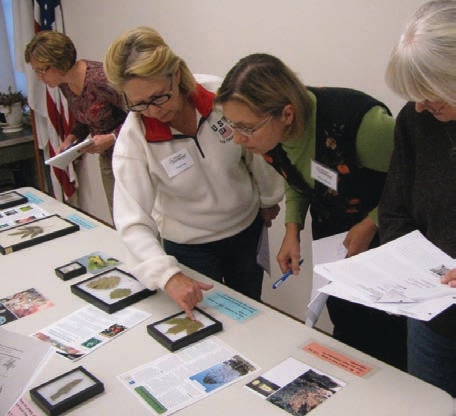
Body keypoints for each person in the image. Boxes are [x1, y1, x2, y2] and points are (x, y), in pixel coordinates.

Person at [215, 53, 407, 370]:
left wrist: (371, 224)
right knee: (347, 324)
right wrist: (293, 229)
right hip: (336, 238)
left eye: (246, 128)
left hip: (386, 239)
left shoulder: (362, 125)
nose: (237, 138)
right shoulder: (270, 136)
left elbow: (415, 179)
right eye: (232, 126)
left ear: (287, 114)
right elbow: (297, 175)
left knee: (388, 339)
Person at [103, 27, 283, 319]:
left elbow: (256, 149)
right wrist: (167, 275)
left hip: (246, 233)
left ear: (176, 74)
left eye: (159, 97)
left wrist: (268, 198)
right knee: (207, 324)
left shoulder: (220, 96)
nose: (152, 111)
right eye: (138, 103)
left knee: (250, 313)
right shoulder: (134, 139)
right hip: (190, 248)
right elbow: (131, 221)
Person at [379, 0, 456, 396]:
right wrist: (405, 264)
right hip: (431, 317)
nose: (420, 105)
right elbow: (395, 208)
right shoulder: (417, 119)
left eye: (432, 93)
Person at [24, 31, 127, 217]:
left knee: (141, 219)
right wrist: (72, 138)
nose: (39, 77)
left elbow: (139, 115)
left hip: (132, 155)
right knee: (119, 216)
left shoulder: (101, 79)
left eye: (41, 70)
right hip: (108, 157)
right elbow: (84, 119)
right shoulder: (65, 84)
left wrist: (112, 137)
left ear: (57, 63)